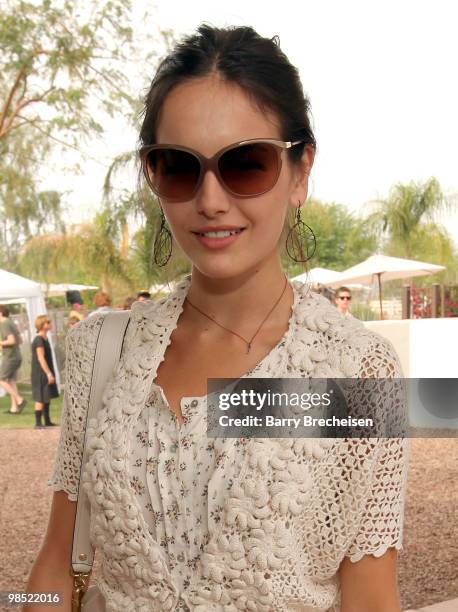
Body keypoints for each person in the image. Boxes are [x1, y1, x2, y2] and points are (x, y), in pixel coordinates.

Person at [26, 25, 408, 611]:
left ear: (301, 170)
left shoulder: (358, 374)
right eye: (179, 166)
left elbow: (371, 601)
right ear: (153, 177)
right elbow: (56, 563)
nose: (210, 199)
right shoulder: (100, 351)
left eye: (246, 165)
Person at [31, 315, 59, 428]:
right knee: (41, 396)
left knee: (47, 395)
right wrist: (48, 373)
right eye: (48, 322)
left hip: (46, 370)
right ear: (42, 325)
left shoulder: (45, 338)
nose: (50, 324)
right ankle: (38, 423)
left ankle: (47, 421)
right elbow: (40, 358)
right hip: (40, 373)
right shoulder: (39, 340)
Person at [0, 305, 27, 414]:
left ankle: (20, 400)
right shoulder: (11, 323)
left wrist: (1, 343)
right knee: (11, 381)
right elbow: (20, 340)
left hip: (10, 357)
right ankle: (14, 408)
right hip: (16, 356)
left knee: (1, 379)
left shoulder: (4, 324)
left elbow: (12, 341)